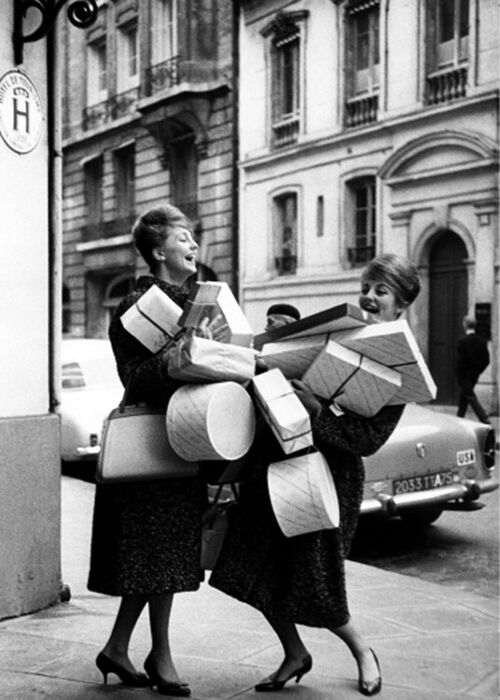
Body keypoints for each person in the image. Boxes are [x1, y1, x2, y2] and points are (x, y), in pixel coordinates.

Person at [209, 253, 421, 696]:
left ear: (401, 305)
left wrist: (318, 410)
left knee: (315, 577)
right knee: (250, 567)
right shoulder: (337, 336)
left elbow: (366, 440)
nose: (368, 296)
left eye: (381, 291)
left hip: (330, 478)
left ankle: (362, 650)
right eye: (366, 286)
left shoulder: (402, 367)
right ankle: (294, 653)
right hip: (278, 462)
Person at [88, 205, 205, 696]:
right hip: (152, 439)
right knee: (159, 556)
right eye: (183, 238)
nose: (193, 245)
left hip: (183, 434)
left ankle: (121, 648)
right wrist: (184, 353)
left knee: (162, 557)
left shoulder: (193, 298)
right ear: (159, 252)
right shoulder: (141, 303)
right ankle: (160, 656)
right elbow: (136, 377)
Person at [456, 315, 490, 424]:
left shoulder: (462, 341)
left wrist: (459, 374)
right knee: (464, 395)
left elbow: (459, 361)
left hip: (464, 375)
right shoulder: (482, 341)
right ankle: (459, 417)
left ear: (465, 325)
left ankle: (484, 418)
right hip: (475, 374)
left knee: (470, 396)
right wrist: (478, 371)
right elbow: (486, 360)